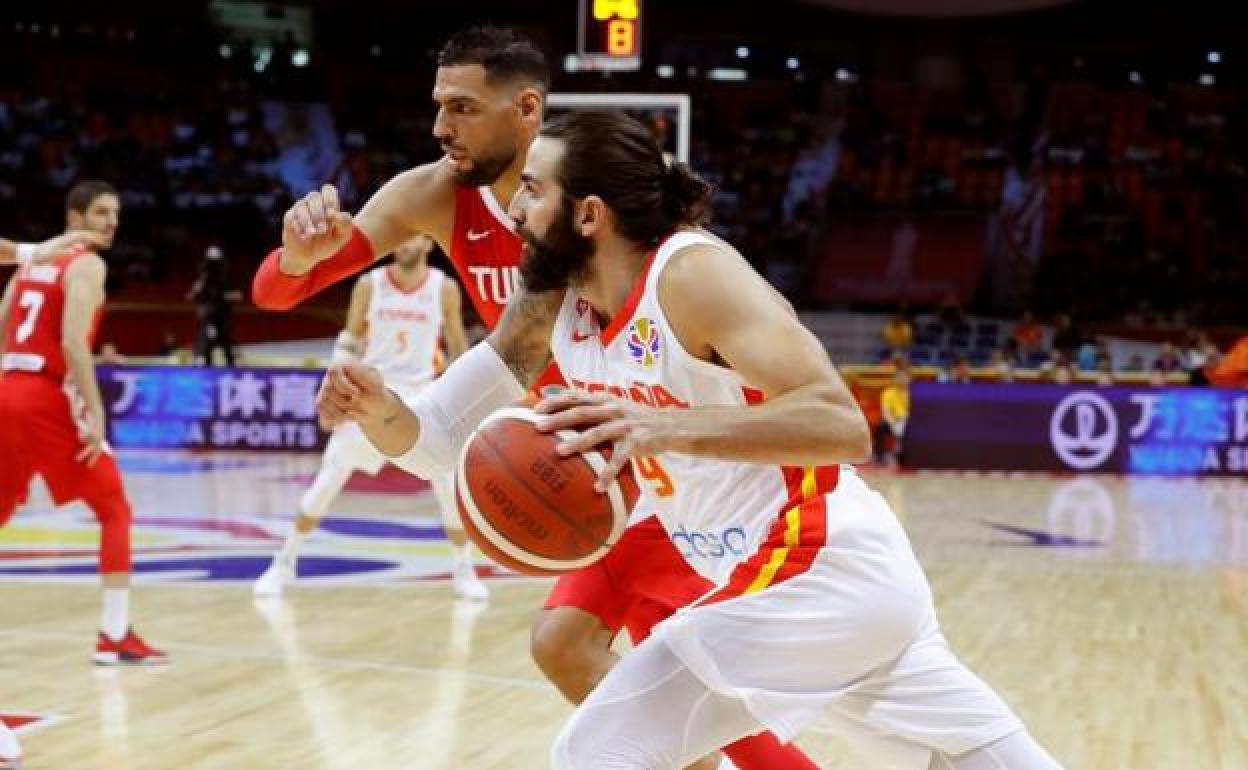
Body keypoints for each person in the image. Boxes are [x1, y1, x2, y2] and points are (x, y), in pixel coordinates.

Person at [319, 111, 1065, 770]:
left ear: (589, 215)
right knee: (981, 760)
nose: (513, 209)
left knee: (600, 749)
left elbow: (841, 425)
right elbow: (436, 441)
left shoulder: (693, 276)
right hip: (806, 587)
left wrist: (660, 426)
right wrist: (379, 408)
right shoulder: (555, 305)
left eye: (533, 190)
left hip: (814, 567)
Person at [251, 26, 819, 770]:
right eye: (437, 105)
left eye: (461, 107)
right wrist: (299, 256)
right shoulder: (434, 195)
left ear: (526, 109)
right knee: (582, 649)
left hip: (683, 463)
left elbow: (731, 317)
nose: (439, 126)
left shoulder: (602, 208)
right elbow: (276, 292)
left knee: (691, 680)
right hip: (574, 453)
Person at [254, 233, 486, 600]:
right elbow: (348, 341)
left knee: (448, 490)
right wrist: (337, 387)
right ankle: (284, 561)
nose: (403, 244)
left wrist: (466, 404)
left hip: (422, 399)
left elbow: (457, 346)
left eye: (413, 239)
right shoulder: (369, 284)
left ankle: (463, 569)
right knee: (326, 483)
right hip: (370, 395)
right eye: (401, 239)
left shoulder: (444, 288)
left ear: (427, 244)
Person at [0, 180, 166, 665]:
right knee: (114, 506)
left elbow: (2, 325)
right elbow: (74, 343)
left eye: (115, 213)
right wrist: (95, 414)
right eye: (100, 213)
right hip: (45, 396)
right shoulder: (87, 264)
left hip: (7, 389)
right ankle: (114, 636)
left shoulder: (28, 265)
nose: (111, 222)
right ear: (74, 218)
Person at [187, 245, 242, 367]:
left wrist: (222, 296)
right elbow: (193, 295)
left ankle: (231, 366)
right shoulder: (203, 278)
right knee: (206, 336)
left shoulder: (227, 278)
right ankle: (201, 360)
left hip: (223, 316)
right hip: (209, 315)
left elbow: (238, 295)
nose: (213, 267)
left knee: (225, 341)